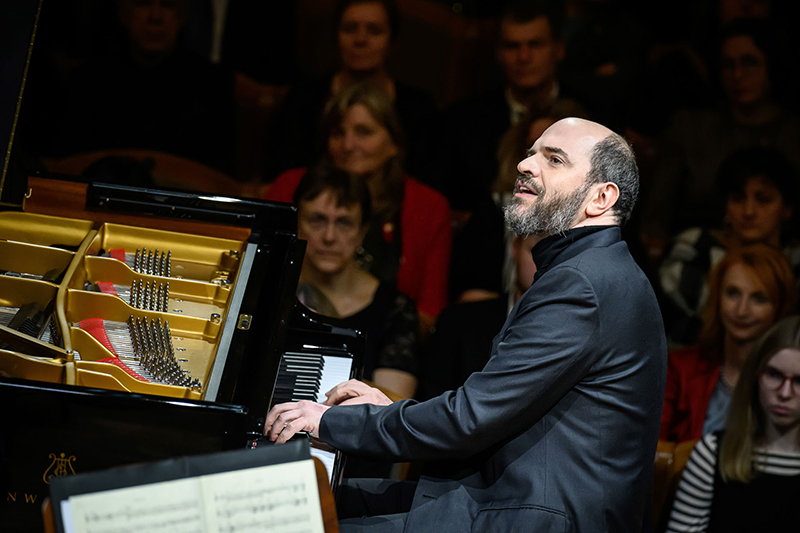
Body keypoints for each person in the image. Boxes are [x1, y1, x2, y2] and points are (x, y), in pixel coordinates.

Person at [265, 117, 667, 532]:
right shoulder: (593, 271)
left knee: (288, 518)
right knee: (306, 498)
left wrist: (331, 421)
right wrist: (390, 412)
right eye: (531, 153)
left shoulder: (581, 283)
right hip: (508, 497)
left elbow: (469, 420)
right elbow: (490, 412)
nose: (526, 166)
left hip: (531, 516)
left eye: (554, 159)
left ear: (601, 198)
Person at [265, 81, 451, 335]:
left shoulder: (427, 206)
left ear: (394, 142)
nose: (348, 145)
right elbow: (262, 278)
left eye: (363, 132)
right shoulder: (291, 186)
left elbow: (431, 314)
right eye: (338, 133)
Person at [640, 19, 800, 252]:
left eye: (749, 63)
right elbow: (656, 222)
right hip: (696, 256)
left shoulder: (793, 135)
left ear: (772, 66)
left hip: (781, 260)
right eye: (728, 65)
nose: (737, 74)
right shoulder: (690, 128)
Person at [52, 0, 236, 174]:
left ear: (181, 17)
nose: (156, 16)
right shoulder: (87, 83)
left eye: (168, 5)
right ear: (124, 14)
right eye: (143, 3)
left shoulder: (212, 87)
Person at [265, 0, 436, 181]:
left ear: (392, 41)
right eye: (349, 29)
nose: (360, 39)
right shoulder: (303, 99)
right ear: (336, 36)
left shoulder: (419, 108)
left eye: (374, 30)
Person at [432, 0, 575, 213]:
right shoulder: (461, 121)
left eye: (535, 45)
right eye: (512, 46)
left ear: (559, 49)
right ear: (498, 53)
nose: (524, 57)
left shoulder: (594, 116)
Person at [665, 315, 800, 532]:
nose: (785, 393)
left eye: (799, 381)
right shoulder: (713, 453)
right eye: (774, 375)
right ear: (756, 376)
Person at [294, 165, 418, 399]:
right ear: (298, 222)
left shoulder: (394, 310)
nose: (329, 237)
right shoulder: (270, 291)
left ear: (363, 230)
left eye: (344, 223)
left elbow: (390, 410)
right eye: (317, 220)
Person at [658, 147, 799, 346]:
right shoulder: (694, 248)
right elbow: (676, 328)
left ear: (787, 209)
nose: (749, 211)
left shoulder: (796, 263)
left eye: (763, 199)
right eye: (738, 199)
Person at [660, 244, 796, 443]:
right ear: (717, 298)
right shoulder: (678, 369)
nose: (741, 311)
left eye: (759, 299)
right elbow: (649, 450)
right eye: (733, 293)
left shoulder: (791, 381)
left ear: (780, 307)